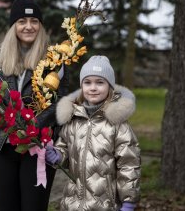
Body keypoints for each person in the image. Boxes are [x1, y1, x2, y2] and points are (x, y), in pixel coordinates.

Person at [0, 0, 69, 211]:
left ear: (40, 26)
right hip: (2, 147)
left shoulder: (54, 60)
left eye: (34, 22)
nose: (28, 27)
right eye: (22, 21)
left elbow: (62, 103)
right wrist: (9, 125)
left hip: (37, 147)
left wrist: (33, 127)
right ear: (14, 26)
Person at [45, 55, 141, 211]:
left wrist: (128, 201)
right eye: (87, 82)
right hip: (73, 203)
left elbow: (129, 165)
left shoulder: (117, 124)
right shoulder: (73, 119)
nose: (93, 87)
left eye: (100, 82)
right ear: (81, 86)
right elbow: (64, 150)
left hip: (105, 204)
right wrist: (57, 155)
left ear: (110, 86)